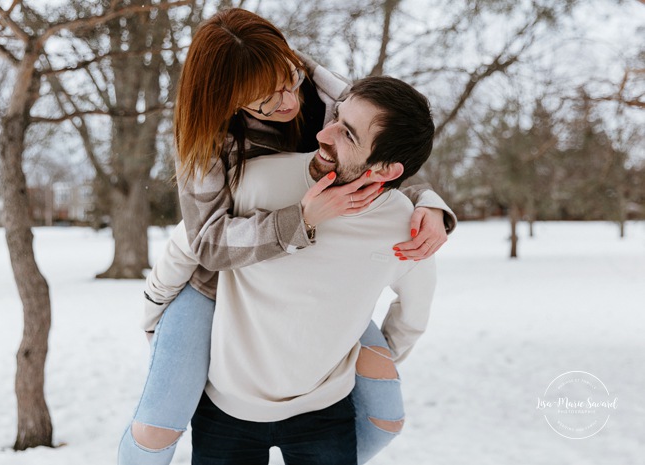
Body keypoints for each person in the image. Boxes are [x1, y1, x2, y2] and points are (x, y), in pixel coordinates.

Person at [118, 8, 454, 465]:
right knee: (159, 422)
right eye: (264, 100)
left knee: (383, 408)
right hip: (219, 284)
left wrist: (427, 201)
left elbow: (385, 150)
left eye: (286, 79)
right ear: (229, 101)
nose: (287, 103)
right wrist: (301, 220)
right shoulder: (207, 141)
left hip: (312, 279)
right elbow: (208, 243)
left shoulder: (318, 86)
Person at [191, 75, 437, 464]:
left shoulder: (405, 228)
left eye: (349, 135)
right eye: (336, 116)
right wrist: (154, 311)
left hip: (325, 410)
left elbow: (413, 313)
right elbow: (192, 244)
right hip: (226, 408)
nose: (324, 133)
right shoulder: (257, 182)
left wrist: (370, 360)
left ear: (387, 170)